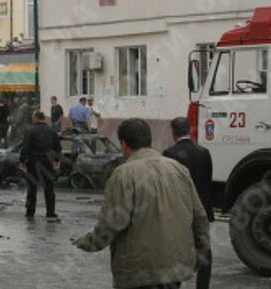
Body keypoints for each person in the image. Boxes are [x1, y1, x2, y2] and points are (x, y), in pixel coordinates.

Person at [73, 118, 210, 289]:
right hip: (175, 267)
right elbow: (200, 217)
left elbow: (111, 224)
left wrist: (86, 242)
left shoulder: (123, 174)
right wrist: (199, 254)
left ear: (123, 144)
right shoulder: (178, 169)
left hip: (139, 271)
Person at [164, 117, 214, 289]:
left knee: (177, 249)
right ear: (190, 130)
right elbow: (208, 182)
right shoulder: (204, 152)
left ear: (173, 132)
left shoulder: (169, 154)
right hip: (202, 207)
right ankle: (203, 286)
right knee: (204, 248)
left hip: (180, 209)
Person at [19, 110, 60, 221]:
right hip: (48, 162)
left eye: (33, 118)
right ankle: (50, 213)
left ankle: (30, 212)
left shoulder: (30, 131)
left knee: (32, 188)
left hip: (33, 162)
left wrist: (22, 161)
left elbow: (25, 148)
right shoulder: (52, 131)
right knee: (49, 188)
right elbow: (57, 147)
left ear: (36, 118)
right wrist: (56, 161)